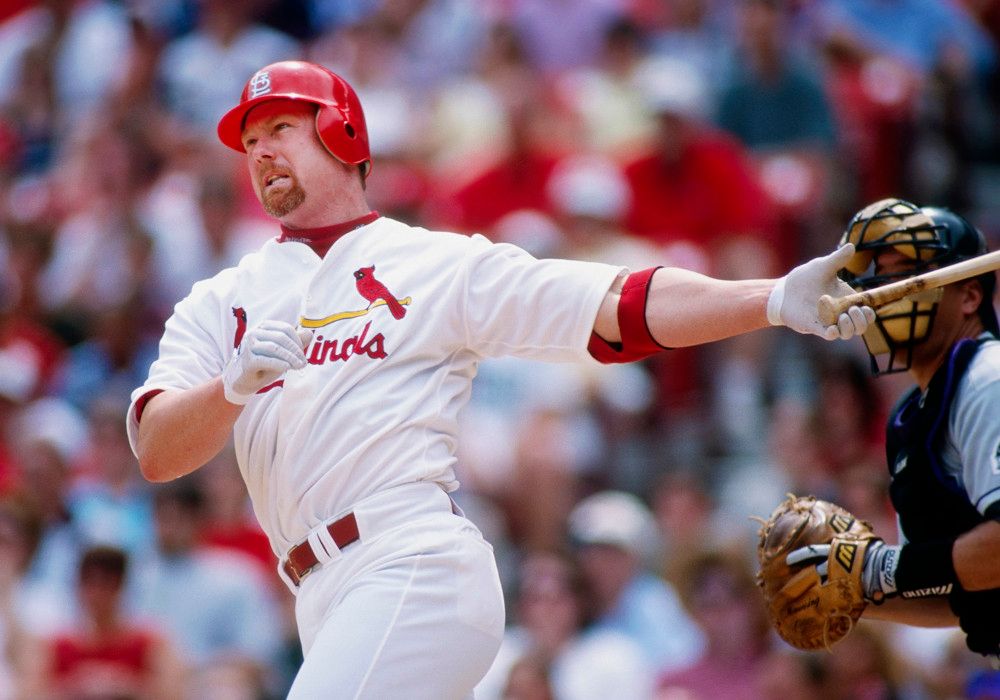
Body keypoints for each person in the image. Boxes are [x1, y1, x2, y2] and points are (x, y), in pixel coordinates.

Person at [126, 59, 874, 698]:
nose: (259, 152)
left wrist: (771, 299)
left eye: (280, 129)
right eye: (250, 141)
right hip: (317, 594)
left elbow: (617, 304)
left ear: (342, 133)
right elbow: (158, 452)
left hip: (409, 562)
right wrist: (230, 390)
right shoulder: (220, 299)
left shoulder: (434, 263)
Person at [790, 198, 1000, 662]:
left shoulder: (991, 378)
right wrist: (847, 591)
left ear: (969, 295)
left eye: (907, 275)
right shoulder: (915, 413)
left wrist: (874, 569)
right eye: (879, 278)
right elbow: (954, 586)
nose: (886, 292)